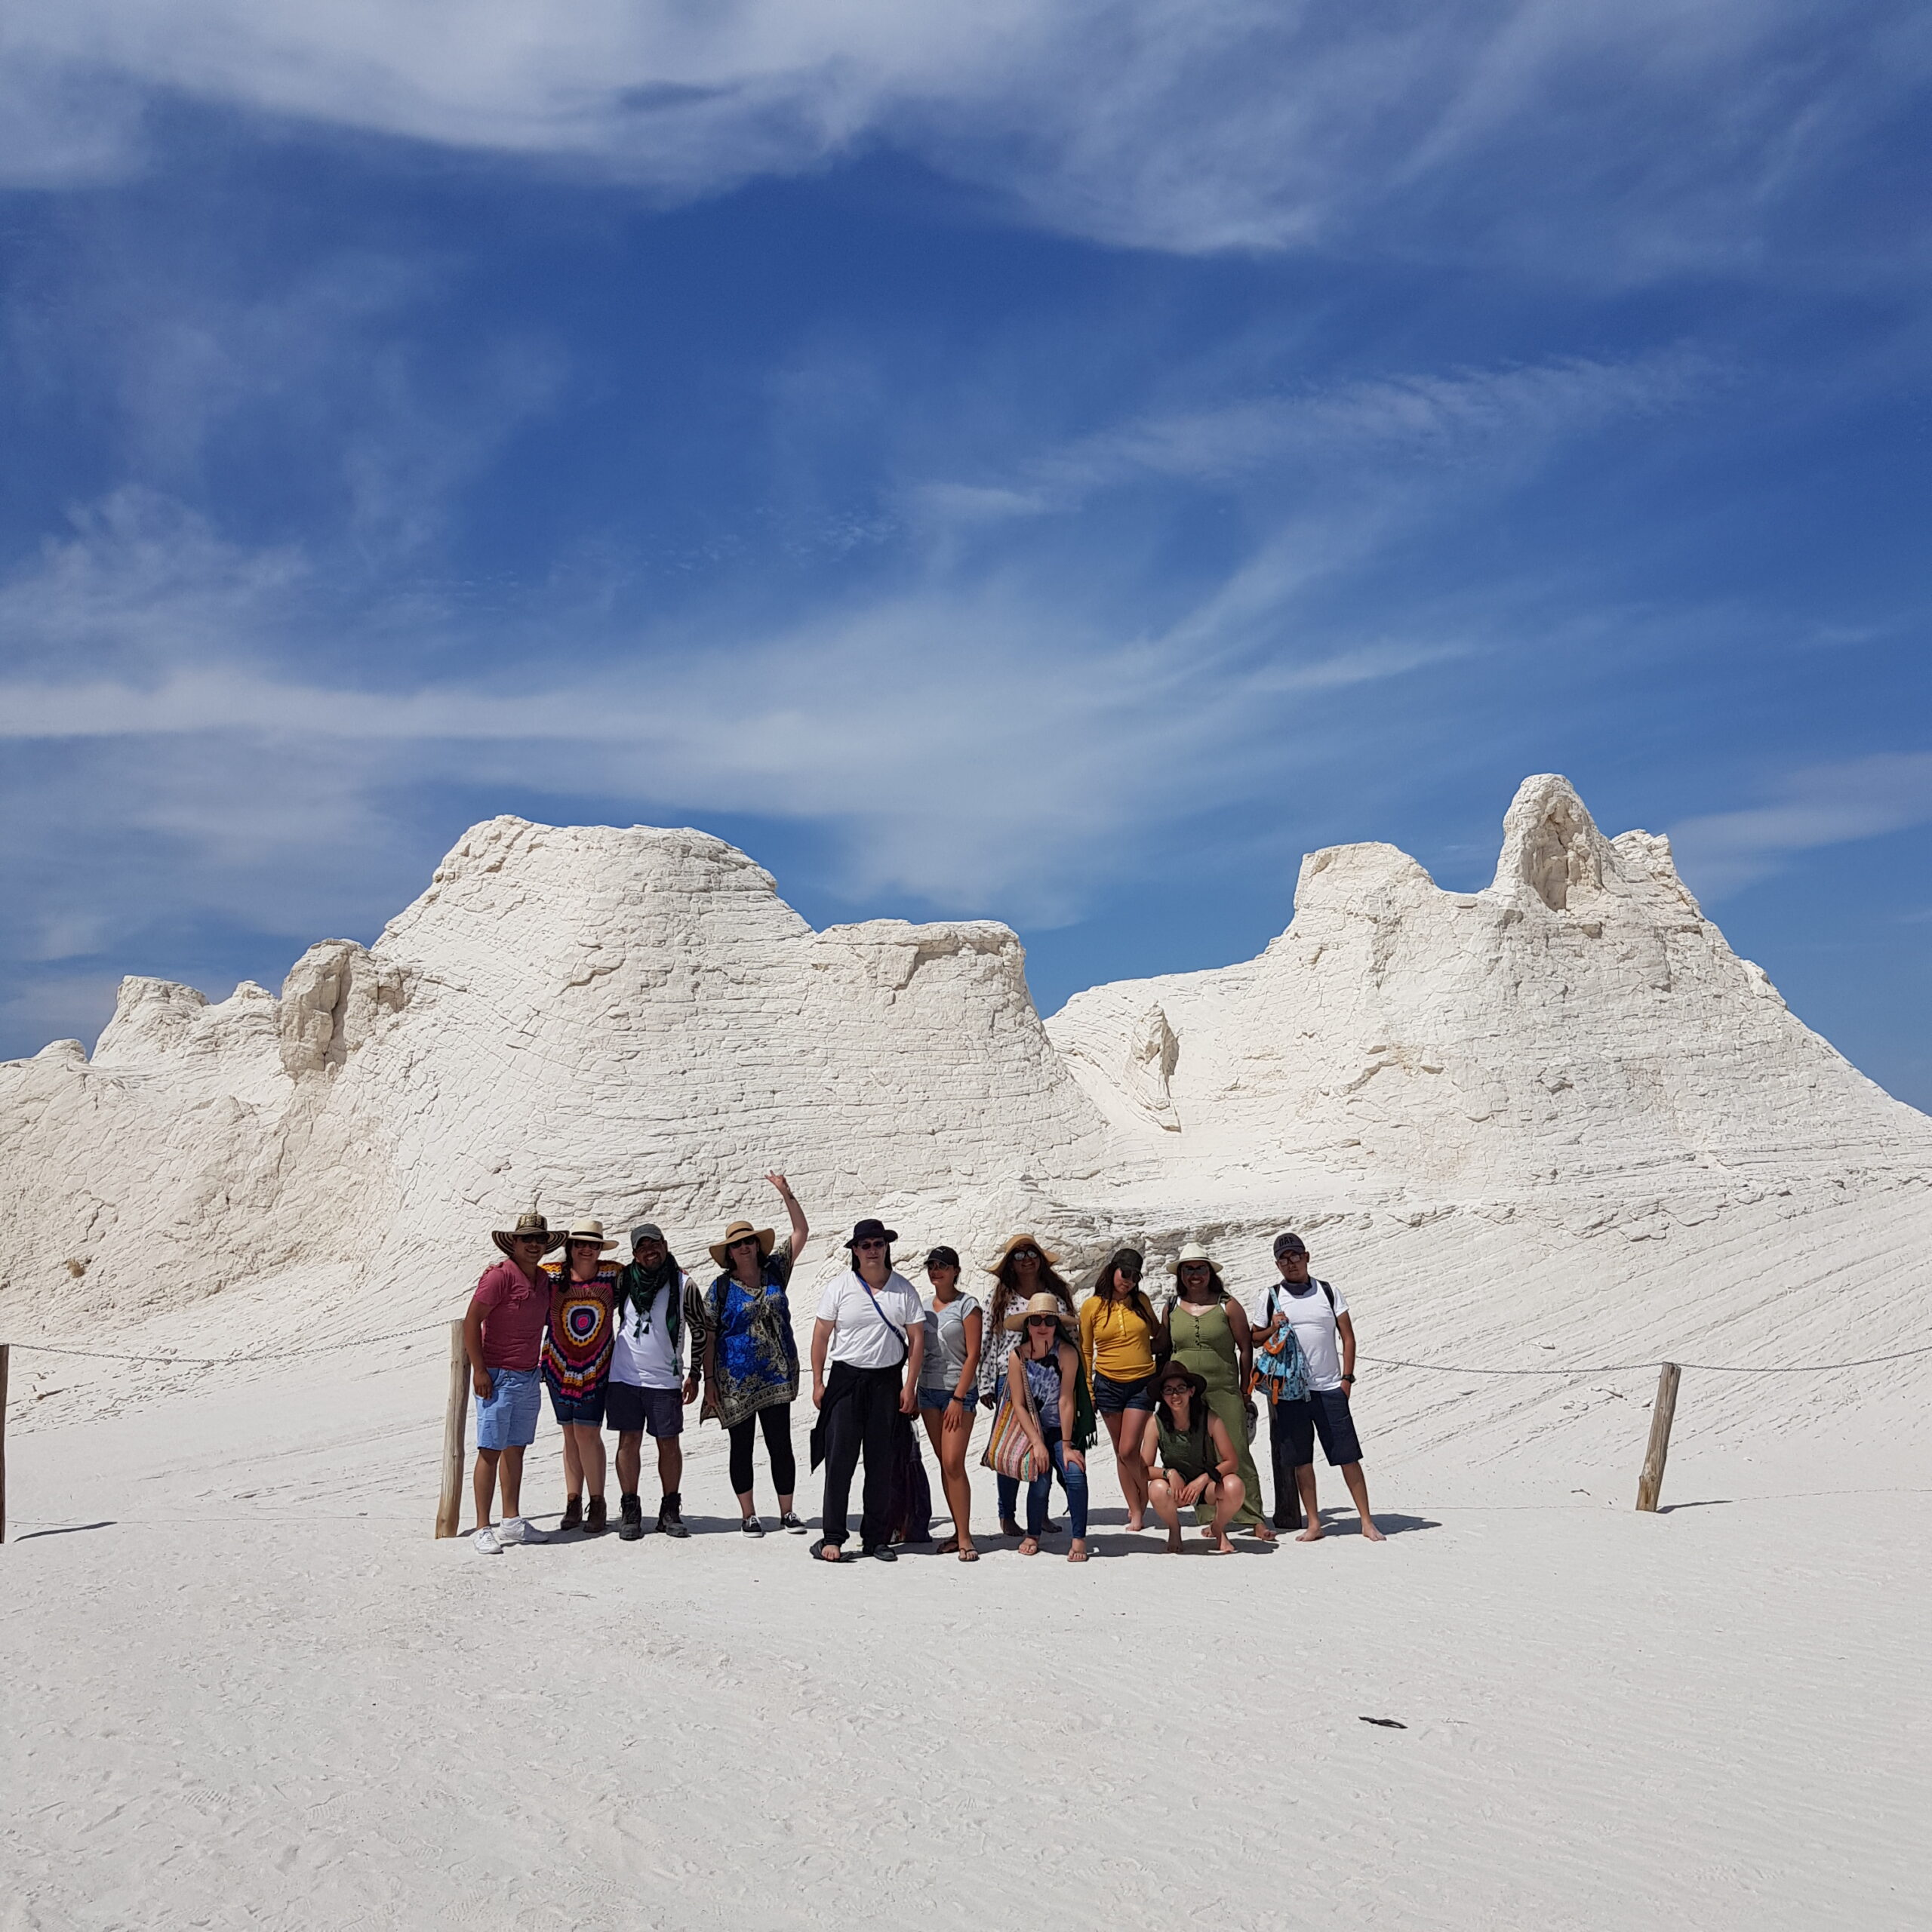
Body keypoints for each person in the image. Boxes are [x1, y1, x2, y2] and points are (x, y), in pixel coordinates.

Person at [1250, 1233, 1385, 1542]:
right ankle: (1314, 1523)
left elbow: (1348, 1337)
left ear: (1307, 1257)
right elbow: (1254, 1338)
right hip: (1291, 1392)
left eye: (1295, 1256)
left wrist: (1347, 1379)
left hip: (1329, 1388)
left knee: (1348, 1456)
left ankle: (1366, 1521)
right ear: (1277, 1264)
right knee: (1301, 1460)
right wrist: (1273, 1327)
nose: (1291, 1263)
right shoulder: (1270, 1296)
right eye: (1284, 1259)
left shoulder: (1328, 1291)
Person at [697, 1174, 811, 1536]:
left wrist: (786, 1193)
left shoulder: (775, 1271)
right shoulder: (720, 1288)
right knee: (741, 1447)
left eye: (749, 1241)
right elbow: (708, 1335)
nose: (744, 1247)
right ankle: (748, 1515)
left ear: (757, 1245)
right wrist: (709, 1381)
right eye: (737, 1244)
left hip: (777, 1375)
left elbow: (801, 1232)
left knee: (781, 1444)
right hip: (735, 1382)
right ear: (729, 1253)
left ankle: (787, 1512)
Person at [810, 1217, 925, 1562]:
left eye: (878, 1244)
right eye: (866, 1245)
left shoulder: (903, 1289)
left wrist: (910, 1386)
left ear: (886, 1247)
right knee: (839, 1461)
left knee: (881, 1463)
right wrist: (817, 1382)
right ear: (856, 1251)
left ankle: (876, 1539)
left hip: (887, 1383)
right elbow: (821, 1335)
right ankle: (832, 1536)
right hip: (846, 1381)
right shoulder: (839, 1287)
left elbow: (917, 1339)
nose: (872, 1250)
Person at [1159, 1242, 1275, 1541]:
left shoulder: (1228, 1305)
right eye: (1188, 1269)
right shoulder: (1171, 1307)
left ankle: (1254, 1517)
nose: (1195, 1274)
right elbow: (1164, 1348)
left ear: (1210, 1272)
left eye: (1200, 1268)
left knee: (1237, 1450)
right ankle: (1213, 1518)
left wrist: (1245, 1389)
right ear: (1180, 1274)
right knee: (1202, 1453)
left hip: (1224, 1389)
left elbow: (1245, 1347)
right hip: (1187, 1395)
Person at [463, 1209, 561, 1554]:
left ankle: (511, 1520)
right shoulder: (499, 1277)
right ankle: (482, 1526)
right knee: (490, 1450)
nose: (534, 1245)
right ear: (514, 1243)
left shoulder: (543, 1280)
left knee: (516, 1448)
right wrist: (479, 1370)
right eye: (527, 1239)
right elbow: (471, 1322)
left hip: (528, 1374)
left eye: (539, 1239)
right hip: (498, 1375)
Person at [978, 1234, 1086, 1537]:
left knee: (1046, 1444)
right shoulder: (999, 1298)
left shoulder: (1055, 1296)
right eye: (1018, 1255)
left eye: (1031, 1253)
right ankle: (1007, 1513)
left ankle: (1040, 1513)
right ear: (1010, 1263)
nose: (1026, 1259)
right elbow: (988, 1340)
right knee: (1012, 1445)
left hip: (1051, 1376)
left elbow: (1071, 1338)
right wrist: (985, 1383)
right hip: (1009, 1375)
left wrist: (1076, 1379)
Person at [607, 1222, 700, 1541]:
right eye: (643, 1247)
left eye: (655, 1243)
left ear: (665, 1244)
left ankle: (670, 1510)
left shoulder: (684, 1283)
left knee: (669, 1443)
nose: (650, 1251)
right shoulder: (623, 1279)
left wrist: (696, 1373)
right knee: (628, 1441)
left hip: (665, 1378)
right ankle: (630, 1509)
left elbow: (700, 1329)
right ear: (635, 1254)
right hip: (624, 1375)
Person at [543, 1219, 620, 1534]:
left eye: (593, 1244)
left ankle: (597, 1501)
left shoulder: (613, 1275)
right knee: (569, 1434)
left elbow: (647, 1278)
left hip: (597, 1366)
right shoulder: (551, 1276)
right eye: (581, 1244)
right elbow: (521, 1281)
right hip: (558, 1365)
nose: (587, 1249)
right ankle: (573, 1500)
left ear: (600, 1249)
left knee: (587, 1433)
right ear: (571, 1247)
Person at [1078, 1247, 1161, 1532]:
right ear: (1112, 1270)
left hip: (1142, 1382)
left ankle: (1144, 1496)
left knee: (1128, 1450)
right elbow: (1086, 1351)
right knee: (1120, 1451)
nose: (1129, 1281)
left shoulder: (1141, 1301)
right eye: (1125, 1273)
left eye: (1135, 1277)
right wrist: (1088, 1391)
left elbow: (1158, 1333)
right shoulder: (1092, 1306)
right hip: (1108, 1384)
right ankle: (1136, 1509)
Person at [1004, 1292, 1090, 1561]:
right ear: (1027, 1324)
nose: (1043, 1326)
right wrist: (1037, 1443)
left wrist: (1066, 1445)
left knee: (1075, 1474)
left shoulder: (1067, 1353)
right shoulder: (1017, 1356)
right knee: (1040, 1480)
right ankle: (1033, 1533)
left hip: (1061, 1429)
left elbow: (1066, 1399)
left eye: (1049, 1321)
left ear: (1057, 1325)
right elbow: (1018, 1404)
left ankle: (1079, 1538)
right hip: (1032, 1431)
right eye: (1036, 1320)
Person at [915, 1245, 983, 1561]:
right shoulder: (922, 1307)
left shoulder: (968, 1305)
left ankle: (965, 1536)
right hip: (928, 1391)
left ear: (955, 1270)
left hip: (958, 1392)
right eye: (932, 1265)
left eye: (942, 1265)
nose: (936, 1270)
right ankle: (958, 1531)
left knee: (954, 1463)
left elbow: (973, 1354)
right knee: (946, 1463)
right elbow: (917, 1351)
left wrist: (958, 1397)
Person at [1140, 1361, 1245, 1555]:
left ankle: (1218, 1528)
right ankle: (1174, 1529)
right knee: (1156, 1489)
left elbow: (1232, 1461)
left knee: (1234, 1486)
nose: (1175, 1395)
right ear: (1162, 1395)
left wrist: (1204, 1478)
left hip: (1207, 1485)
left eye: (1181, 1388)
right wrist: (1169, 1473)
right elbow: (1143, 1469)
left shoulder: (1210, 1418)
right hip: (1177, 1489)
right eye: (1169, 1390)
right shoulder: (1155, 1423)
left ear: (1191, 1391)